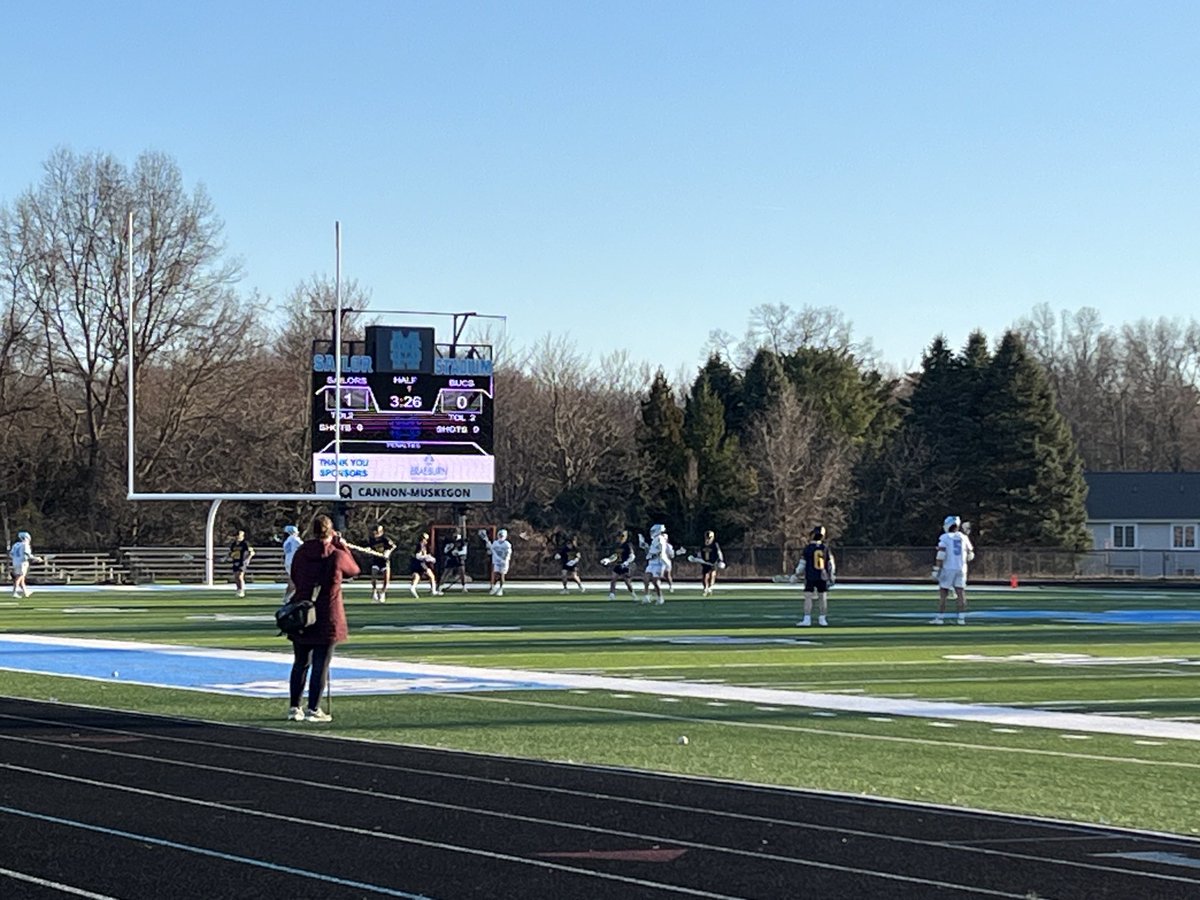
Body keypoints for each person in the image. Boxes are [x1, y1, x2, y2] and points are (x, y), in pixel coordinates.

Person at [286, 514, 359, 722]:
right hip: (327, 613)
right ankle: (314, 709)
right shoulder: (336, 555)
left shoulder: (302, 552)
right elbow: (353, 570)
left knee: (300, 662)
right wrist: (342, 546)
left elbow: (294, 575)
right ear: (331, 531)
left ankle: (294, 707)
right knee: (321, 663)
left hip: (302, 612)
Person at [931, 516, 975, 625]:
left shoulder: (945, 537)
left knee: (943, 594)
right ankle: (961, 619)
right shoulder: (964, 537)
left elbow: (941, 555)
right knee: (961, 593)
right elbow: (971, 555)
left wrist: (937, 569)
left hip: (948, 568)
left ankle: (940, 618)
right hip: (961, 568)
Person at [793, 525, 836, 626]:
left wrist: (796, 574)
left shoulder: (808, 548)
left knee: (808, 597)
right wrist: (832, 575)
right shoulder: (825, 548)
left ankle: (807, 619)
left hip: (811, 575)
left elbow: (802, 564)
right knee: (822, 597)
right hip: (822, 576)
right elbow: (831, 564)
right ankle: (822, 619)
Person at [602, 530, 640, 601]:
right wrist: (608, 560)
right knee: (613, 579)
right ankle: (612, 595)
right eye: (620, 536)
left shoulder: (628, 545)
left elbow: (632, 556)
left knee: (627, 581)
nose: (621, 538)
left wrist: (626, 562)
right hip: (618, 564)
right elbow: (615, 556)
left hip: (626, 565)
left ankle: (633, 594)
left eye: (623, 536)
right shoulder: (617, 545)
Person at [641, 523, 670, 605]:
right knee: (646, 579)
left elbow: (661, 551)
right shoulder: (654, 540)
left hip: (658, 562)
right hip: (652, 562)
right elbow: (651, 551)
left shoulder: (660, 539)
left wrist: (654, 555)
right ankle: (646, 597)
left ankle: (660, 597)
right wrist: (645, 546)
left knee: (655, 581)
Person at [9, 531, 44, 599]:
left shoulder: (16, 545)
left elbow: (11, 554)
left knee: (21, 578)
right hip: (22, 563)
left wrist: (16, 559)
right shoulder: (25, 545)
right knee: (19, 577)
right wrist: (37, 558)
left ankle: (26, 592)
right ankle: (14, 592)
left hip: (15, 562)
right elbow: (27, 555)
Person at [367, 524, 397, 602]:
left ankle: (383, 593)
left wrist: (388, 552)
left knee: (386, 579)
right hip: (376, 560)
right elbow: (370, 548)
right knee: (373, 576)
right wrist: (368, 549)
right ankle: (374, 592)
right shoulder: (372, 540)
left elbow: (393, 546)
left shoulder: (385, 539)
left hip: (385, 561)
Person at [478, 527, 513, 596]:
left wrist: (505, 560)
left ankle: (500, 589)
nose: (500, 536)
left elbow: (508, 553)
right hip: (496, 562)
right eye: (500, 535)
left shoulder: (507, 544)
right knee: (496, 575)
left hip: (503, 562)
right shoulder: (495, 543)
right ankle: (493, 588)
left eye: (502, 535)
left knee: (502, 575)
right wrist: (489, 546)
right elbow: (491, 551)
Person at [690, 530, 725, 597]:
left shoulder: (715, 545)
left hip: (713, 562)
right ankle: (705, 588)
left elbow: (719, 552)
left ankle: (710, 588)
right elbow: (699, 552)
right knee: (705, 576)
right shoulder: (703, 544)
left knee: (712, 575)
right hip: (705, 562)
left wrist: (720, 560)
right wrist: (696, 557)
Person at [408, 532, 440, 598]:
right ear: (423, 539)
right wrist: (427, 557)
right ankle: (433, 591)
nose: (427, 541)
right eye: (426, 539)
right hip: (420, 563)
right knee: (431, 576)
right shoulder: (420, 545)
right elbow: (417, 556)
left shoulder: (422, 546)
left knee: (417, 576)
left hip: (415, 563)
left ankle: (413, 588)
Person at [224, 529, 255, 598]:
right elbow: (231, 552)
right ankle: (238, 589)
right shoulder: (233, 544)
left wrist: (248, 559)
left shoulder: (245, 544)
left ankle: (241, 590)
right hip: (235, 561)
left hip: (242, 561)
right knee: (236, 577)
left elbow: (252, 552)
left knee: (240, 576)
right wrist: (225, 558)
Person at [281, 524, 302, 599]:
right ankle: (290, 597)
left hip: (288, 562)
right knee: (297, 581)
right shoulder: (295, 539)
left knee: (292, 580)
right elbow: (303, 546)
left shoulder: (286, 541)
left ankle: (287, 597)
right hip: (294, 562)